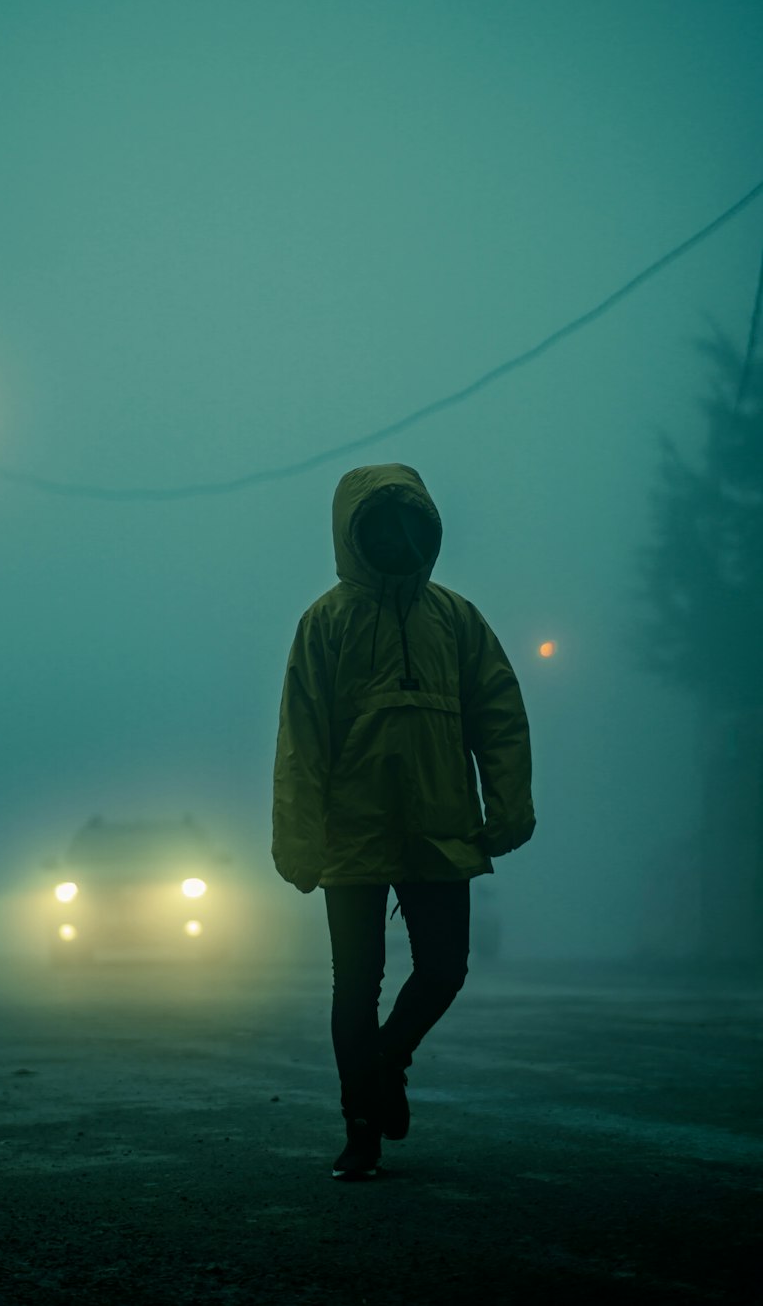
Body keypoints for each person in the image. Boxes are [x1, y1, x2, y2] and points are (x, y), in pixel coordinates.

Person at [271, 463, 534, 1179]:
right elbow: (302, 740)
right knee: (355, 983)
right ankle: (360, 1135)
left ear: (428, 530)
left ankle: (383, 1065)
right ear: (351, 533)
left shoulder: (456, 619)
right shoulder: (325, 623)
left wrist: (507, 808)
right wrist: (299, 841)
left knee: (444, 969)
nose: (394, 537)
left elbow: (499, 716)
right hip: (351, 834)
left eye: (407, 524)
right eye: (378, 526)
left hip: (441, 827)